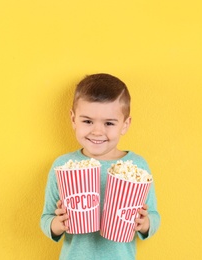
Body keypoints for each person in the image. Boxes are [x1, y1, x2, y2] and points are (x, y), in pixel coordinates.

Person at [40, 73, 160, 259]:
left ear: (125, 125)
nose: (97, 131)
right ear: (73, 119)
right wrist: (58, 223)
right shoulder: (63, 167)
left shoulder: (137, 167)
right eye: (87, 121)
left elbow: (153, 215)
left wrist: (144, 224)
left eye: (109, 123)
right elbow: (46, 218)